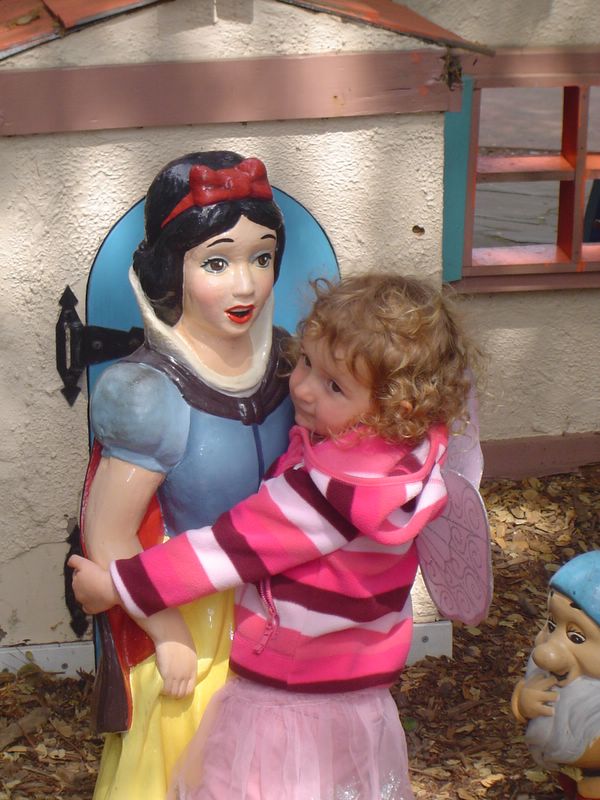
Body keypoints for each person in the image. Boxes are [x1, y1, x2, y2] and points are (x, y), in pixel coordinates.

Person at [71, 273, 477, 800]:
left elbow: (226, 549)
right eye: (305, 361)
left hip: (287, 698)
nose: (303, 388)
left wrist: (119, 586)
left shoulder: (325, 494)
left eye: (334, 386)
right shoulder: (410, 460)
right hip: (361, 697)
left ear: (392, 410)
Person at [81, 151, 294, 799]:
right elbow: (108, 532)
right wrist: (165, 628)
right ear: (173, 268)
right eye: (217, 263)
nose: (245, 286)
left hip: (281, 610)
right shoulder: (149, 393)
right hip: (192, 614)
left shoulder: (293, 366)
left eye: (262, 258)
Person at [512, 551, 600, 800]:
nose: (545, 653)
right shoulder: (555, 676)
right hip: (570, 770)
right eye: (551, 624)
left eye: (577, 637)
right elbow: (521, 699)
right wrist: (523, 704)